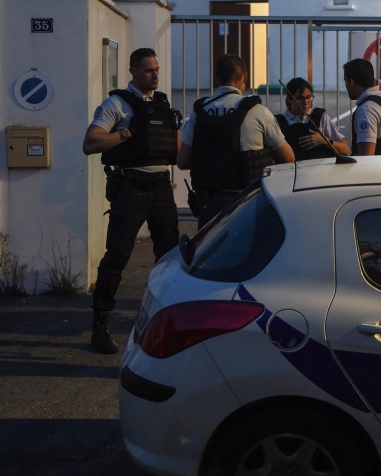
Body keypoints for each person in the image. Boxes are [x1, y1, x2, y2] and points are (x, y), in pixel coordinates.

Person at [83, 47, 181, 354]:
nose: (155, 75)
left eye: (157, 69)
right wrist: (125, 135)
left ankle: (170, 323)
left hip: (161, 187)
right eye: (149, 70)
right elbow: (91, 142)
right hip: (132, 187)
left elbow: (175, 146)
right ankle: (100, 325)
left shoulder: (162, 103)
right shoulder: (116, 104)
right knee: (117, 257)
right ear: (133, 71)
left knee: (170, 259)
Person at [177, 54, 295, 228]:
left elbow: (182, 161)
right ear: (244, 77)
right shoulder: (257, 111)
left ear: (216, 78)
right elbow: (288, 157)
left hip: (210, 204)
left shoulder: (199, 111)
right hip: (249, 203)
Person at [275, 77, 351, 160]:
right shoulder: (278, 123)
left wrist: (325, 141)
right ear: (289, 99)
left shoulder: (322, 117)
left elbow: (345, 150)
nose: (305, 102)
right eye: (300, 98)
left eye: (308, 97)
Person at [343, 58, 381, 155]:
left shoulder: (366, 110)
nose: (346, 86)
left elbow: (365, 157)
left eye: (345, 81)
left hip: (374, 170)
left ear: (351, 82)